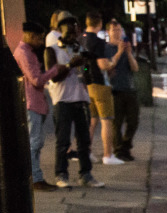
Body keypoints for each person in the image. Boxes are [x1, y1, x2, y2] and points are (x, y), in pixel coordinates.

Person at [46, 13, 103, 188]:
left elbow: (86, 75)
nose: (73, 34)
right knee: (63, 141)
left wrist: (85, 65)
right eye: (69, 31)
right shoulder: (52, 50)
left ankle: (85, 174)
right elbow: (53, 76)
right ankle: (61, 174)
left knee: (84, 140)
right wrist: (71, 64)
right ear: (61, 31)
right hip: (63, 100)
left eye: (75, 30)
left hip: (81, 98)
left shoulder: (78, 49)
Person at [15, 22, 69, 191]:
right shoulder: (23, 53)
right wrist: (55, 70)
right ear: (30, 35)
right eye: (39, 38)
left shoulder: (28, 52)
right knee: (34, 142)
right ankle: (34, 177)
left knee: (37, 142)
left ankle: (36, 176)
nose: (40, 42)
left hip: (36, 102)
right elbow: (36, 80)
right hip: (31, 102)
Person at [83, 12, 123, 164]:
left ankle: (86, 152)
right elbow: (103, 65)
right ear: (99, 24)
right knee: (107, 121)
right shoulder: (98, 42)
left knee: (92, 120)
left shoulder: (81, 39)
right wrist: (117, 55)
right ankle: (108, 155)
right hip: (100, 83)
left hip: (87, 84)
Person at [106, 21, 139, 162]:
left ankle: (126, 146)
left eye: (119, 30)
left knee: (133, 121)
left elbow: (135, 68)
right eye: (114, 30)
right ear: (108, 32)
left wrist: (129, 54)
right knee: (116, 123)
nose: (117, 33)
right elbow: (106, 67)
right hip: (114, 90)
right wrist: (119, 52)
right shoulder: (106, 49)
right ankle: (119, 150)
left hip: (129, 88)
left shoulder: (127, 49)